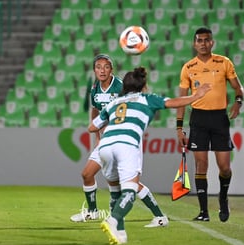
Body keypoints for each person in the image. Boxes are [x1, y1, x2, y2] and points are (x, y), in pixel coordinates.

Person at [89, 67, 211, 244]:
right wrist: (195, 96)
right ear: (143, 86)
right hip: (127, 144)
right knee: (130, 190)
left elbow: (92, 127)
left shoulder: (113, 103)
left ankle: (120, 233)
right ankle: (113, 220)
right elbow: (174, 102)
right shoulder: (147, 99)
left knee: (115, 190)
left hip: (105, 147)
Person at [70, 54, 169, 228]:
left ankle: (159, 216)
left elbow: (135, 101)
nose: (102, 70)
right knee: (87, 174)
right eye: (99, 67)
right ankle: (94, 213)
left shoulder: (120, 86)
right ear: (94, 70)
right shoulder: (95, 89)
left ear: (111, 69)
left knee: (130, 184)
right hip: (107, 141)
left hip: (124, 139)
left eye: (106, 67)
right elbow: (95, 112)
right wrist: (98, 138)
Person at [176, 27, 244, 222]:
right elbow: (182, 100)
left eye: (207, 40)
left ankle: (223, 198)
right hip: (198, 119)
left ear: (212, 42)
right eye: (199, 40)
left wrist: (238, 102)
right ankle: (203, 211)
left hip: (219, 119)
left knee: (224, 167)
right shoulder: (188, 68)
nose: (203, 43)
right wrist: (179, 128)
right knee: (201, 164)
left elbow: (238, 88)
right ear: (194, 43)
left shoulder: (224, 63)